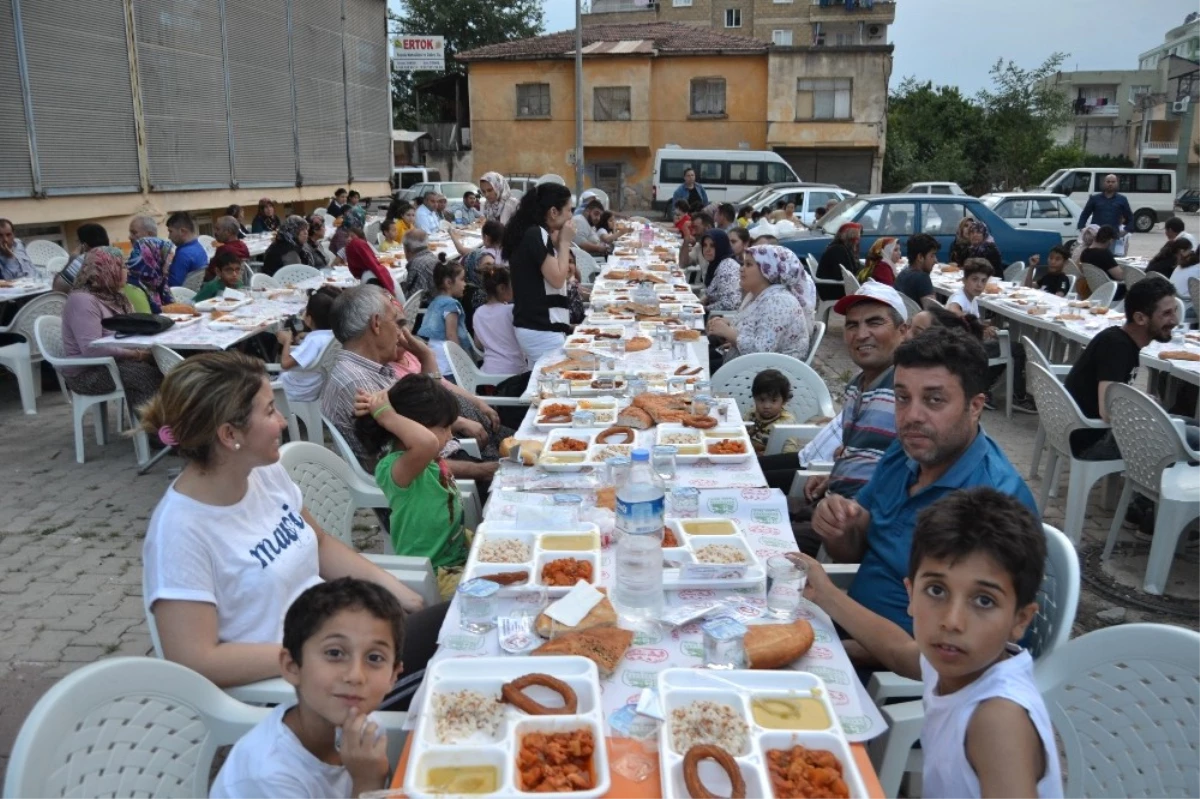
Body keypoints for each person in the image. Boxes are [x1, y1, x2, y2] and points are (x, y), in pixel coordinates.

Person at [140, 352, 449, 710]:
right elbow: (197, 659)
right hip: (306, 686)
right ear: (229, 434)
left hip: (344, 639)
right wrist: (315, 654)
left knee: (463, 627)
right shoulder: (181, 531)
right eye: (270, 410)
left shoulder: (263, 473)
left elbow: (318, 542)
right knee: (460, 675)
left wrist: (403, 595)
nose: (283, 421)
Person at [798, 488, 1063, 799]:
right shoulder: (958, 659)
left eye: (983, 600)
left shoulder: (997, 719)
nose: (952, 620)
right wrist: (827, 595)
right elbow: (901, 651)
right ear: (911, 593)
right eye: (937, 591)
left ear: (1021, 620)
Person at [811, 327, 1037, 644]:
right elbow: (858, 550)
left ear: (975, 407)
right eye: (902, 398)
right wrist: (841, 528)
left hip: (896, 676)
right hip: (847, 628)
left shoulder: (993, 503)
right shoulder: (904, 454)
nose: (912, 416)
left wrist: (841, 648)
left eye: (934, 400)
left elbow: (963, 652)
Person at [209, 578, 404, 799]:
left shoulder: (365, 729)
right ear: (292, 666)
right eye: (334, 653)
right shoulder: (268, 775)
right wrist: (368, 782)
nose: (355, 676)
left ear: (393, 675)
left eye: (374, 657)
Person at [760, 283, 907, 553]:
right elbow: (869, 456)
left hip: (849, 531)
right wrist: (835, 476)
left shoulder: (907, 392)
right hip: (823, 502)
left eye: (874, 322)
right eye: (852, 325)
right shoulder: (858, 385)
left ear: (903, 331)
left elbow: (906, 477)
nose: (861, 334)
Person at [319, 285, 499, 480]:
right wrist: (483, 471)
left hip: (443, 464)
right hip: (426, 489)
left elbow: (435, 409)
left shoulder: (375, 369)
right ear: (376, 324)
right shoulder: (356, 382)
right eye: (397, 323)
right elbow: (405, 461)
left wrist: (426, 356)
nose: (402, 333)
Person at [355, 377, 468, 597]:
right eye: (444, 428)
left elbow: (427, 439)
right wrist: (386, 415)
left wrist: (384, 399)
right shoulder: (397, 468)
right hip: (436, 574)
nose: (450, 435)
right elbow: (427, 442)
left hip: (457, 558)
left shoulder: (427, 459)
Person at [1065, 278, 1187, 460]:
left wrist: (1139, 399)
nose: (1175, 320)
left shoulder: (1119, 340)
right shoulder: (1117, 347)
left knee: (1188, 425)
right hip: (1093, 440)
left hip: (1085, 431)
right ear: (1140, 318)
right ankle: (1151, 487)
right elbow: (1107, 411)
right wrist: (1142, 405)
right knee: (1188, 439)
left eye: (1175, 311)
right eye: (1167, 313)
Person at [60, 247, 164, 410]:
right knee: (145, 375)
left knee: (167, 367)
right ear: (106, 269)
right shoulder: (83, 300)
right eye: (121, 266)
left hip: (114, 362)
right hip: (88, 372)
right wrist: (137, 355)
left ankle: (165, 424)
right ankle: (154, 429)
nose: (127, 270)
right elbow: (91, 349)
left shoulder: (114, 296)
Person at [501, 182, 575, 365]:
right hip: (540, 327)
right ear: (553, 212)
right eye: (569, 210)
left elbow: (548, 276)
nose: (571, 216)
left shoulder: (531, 231)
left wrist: (558, 245)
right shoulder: (535, 234)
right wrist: (565, 243)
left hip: (536, 325)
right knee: (550, 386)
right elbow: (558, 279)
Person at [947, 259, 1033, 413]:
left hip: (968, 345)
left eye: (983, 281)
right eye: (974, 279)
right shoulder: (959, 298)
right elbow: (953, 311)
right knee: (1016, 349)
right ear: (964, 280)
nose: (979, 285)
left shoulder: (969, 298)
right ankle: (1018, 396)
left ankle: (983, 387)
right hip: (964, 350)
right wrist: (979, 326)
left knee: (1004, 346)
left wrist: (983, 327)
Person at [707, 245, 815, 364]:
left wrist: (729, 333)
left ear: (768, 270)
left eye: (748, 264)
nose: (741, 269)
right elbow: (752, 330)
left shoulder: (780, 301)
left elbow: (761, 352)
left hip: (768, 375)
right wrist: (726, 327)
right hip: (744, 364)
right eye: (743, 264)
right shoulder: (758, 295)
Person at [279, 286, 341, 408]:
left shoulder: (313, 341)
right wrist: (305, 335)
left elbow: (285, 364)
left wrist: (286, 341)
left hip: (294, 391)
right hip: (314, 388)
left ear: (309, 318)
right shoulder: (333, 335)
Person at [418, 260, 474, 378]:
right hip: (448, 359)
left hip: (435, 354)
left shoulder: (435, 302)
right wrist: (460, 359)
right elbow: (451, 335)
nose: (465, 284)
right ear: (449, 282)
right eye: (462, 279)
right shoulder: (451, 305)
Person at [473, 266, 526, 375]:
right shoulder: (511, 311)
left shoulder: (478, 313)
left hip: (488, 373)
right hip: (514, 372)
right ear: (502, 288)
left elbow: (478, 344)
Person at [125, 215, 174, 312]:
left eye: (134, 232)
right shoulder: (134, 287)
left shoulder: (158, 280)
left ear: (150, 234)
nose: (129, 237)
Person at [747, 369, 800, 455]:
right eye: (761, 400)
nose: (767, 406)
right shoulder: (751, 413)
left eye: (774, 401)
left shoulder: (787, 422)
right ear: (754, 398)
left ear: (784, 401)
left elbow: (790, 450)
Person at [344, 217, 396, 296]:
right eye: (347, 236)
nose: (348, 239)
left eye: (352, 236)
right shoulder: (374, 273)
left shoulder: (369, 278)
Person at [53, 223, 110, 293]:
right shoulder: (115, 257)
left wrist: (71, 260)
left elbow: (58, 288)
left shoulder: (84, 259)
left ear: (84, 245)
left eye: (78, 242)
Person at [816, 223, 861, 301]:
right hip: (832, 289)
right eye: (855, 238)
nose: (857, 242)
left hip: (830, 287)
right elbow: (842, 276)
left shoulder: (839, 247)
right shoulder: (839, 250)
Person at [895, 233, 940, 306]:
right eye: (932, 255)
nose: (936, 260)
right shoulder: (922, 278)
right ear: (920, 257)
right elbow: (933, 311)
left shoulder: (902, 273)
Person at [701, 229, 741, 312]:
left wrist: (704, 308)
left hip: (721, 318)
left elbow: (730, 304)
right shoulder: (717, 263)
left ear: (721, 246)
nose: (707, 249)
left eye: (712, 246)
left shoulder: (727, 267)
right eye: (705, 245)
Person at [1079, 224, 1124, 298]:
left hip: (1093, 289)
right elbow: (1119, 276)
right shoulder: (1104, 254)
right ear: (1110, 240)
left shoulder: (1085, 252)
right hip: (1111, 291)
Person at [165, 211, 207, 287]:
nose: (169, 237)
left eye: (170, 231)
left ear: (182, 231)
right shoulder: (199, 247)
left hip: (180, 296)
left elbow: (173, 285)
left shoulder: (183, 254)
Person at [400, 229, 442, 300]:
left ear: (407, 249)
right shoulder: (432, 257)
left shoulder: (416, 266)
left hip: (430, 306)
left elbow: (413, 299)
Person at [205, 216, 251, 280]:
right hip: (239, 282)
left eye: (218, 229)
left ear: (229, 232)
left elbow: (211, 273)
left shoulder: (224, 249)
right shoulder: (243, 246)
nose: (215, 232)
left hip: (222, 286)